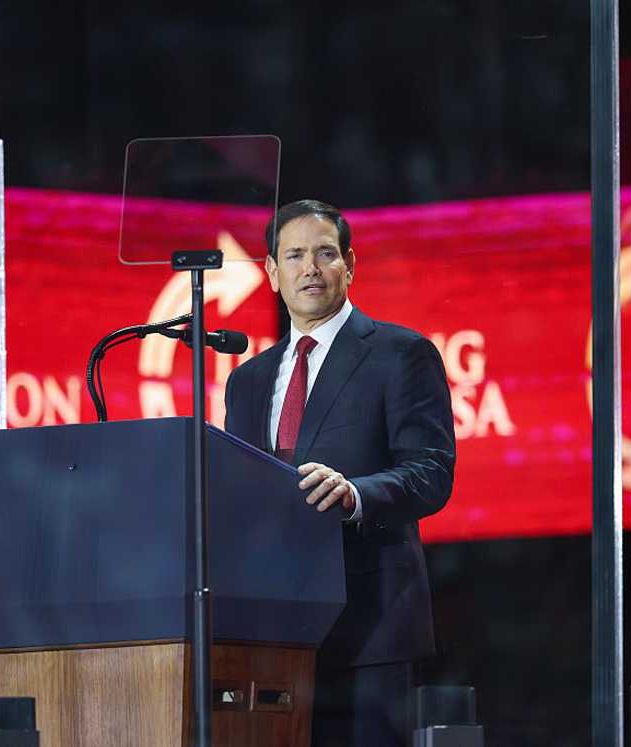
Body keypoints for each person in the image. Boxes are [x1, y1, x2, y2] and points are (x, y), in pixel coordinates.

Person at [224, 199, 456, 746]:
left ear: (349, 265)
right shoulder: (248, 380)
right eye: (295, 255)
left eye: (325, 253)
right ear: (271, 273)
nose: (310, 267)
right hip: (270, 631)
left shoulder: (401, 354)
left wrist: (355, 495)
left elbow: (431, 472)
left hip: (370, 627)